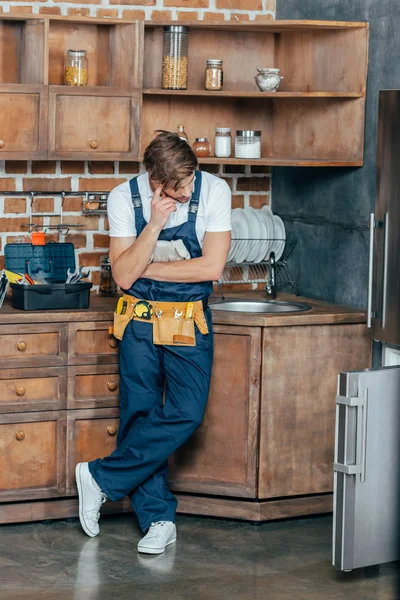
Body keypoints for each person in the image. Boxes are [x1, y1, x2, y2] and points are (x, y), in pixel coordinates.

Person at [75, 131, 231, 554]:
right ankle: (159, 519)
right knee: (140, 416)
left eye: (190, 183)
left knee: (187, 412)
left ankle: (100, 477)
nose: (187, 193)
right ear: (154, 181)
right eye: (177, 189)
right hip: (139, 322)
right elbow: (122, 279)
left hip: (188, 320)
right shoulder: (124, 198)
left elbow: (212, 266)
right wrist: (157, 224)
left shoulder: (214, 190)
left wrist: (143, 269)